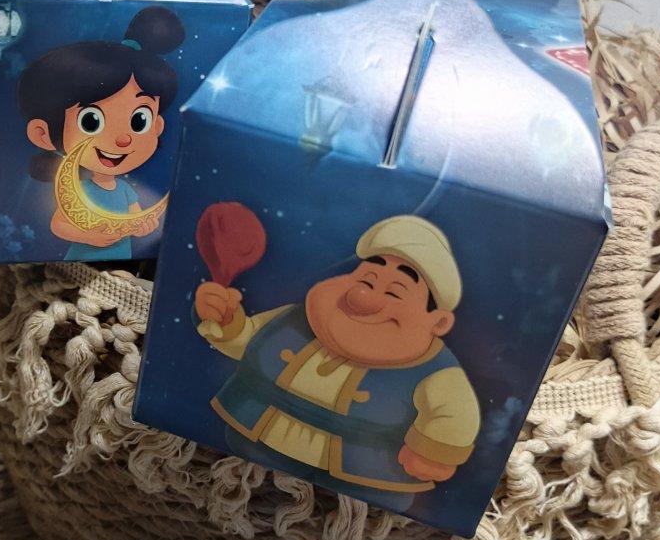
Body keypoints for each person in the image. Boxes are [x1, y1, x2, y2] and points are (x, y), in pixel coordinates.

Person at [195, 214, 479, 510]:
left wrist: (434, 450)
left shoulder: (436, 369)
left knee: (376, 503)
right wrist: (225, 320)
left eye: (394, 292)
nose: (363, 298)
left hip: (366, 470)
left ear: (438, 322)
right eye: (365, 281)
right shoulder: (297, 319)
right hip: (258, 440)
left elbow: (455, 411)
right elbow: (248, 340)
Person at [18, 6, 185, 260]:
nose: (123, 139)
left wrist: (145, 227)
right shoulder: (79, 190)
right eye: (91, 121)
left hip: (123, 260)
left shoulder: (125, 190)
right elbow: (59, 225)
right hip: (80, 262)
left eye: (139, 120)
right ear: (44, 134)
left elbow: (135, 220)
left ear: (157, 127)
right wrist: (89, 237)